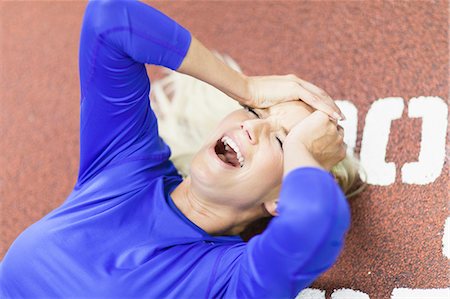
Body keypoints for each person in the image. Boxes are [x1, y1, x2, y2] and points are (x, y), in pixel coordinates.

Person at [0, 1, 359, 298]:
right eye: (254, 113)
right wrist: (246, 88)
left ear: (281, 199)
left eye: (281, 140)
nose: (252, 126)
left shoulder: (229, 280)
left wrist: (303, 149)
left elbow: (315, 223)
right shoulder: (126, 165)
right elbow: (110, 19)